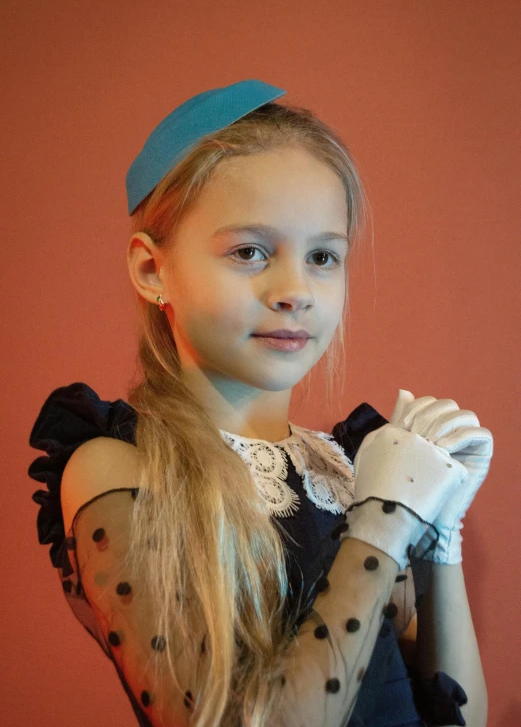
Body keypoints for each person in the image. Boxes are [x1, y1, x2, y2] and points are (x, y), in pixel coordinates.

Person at [28, 79, 493, 727]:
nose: (294, 289)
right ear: (151, 269)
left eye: (323, 255)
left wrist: (439, 535)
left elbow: (455, 718)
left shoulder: (350, 466)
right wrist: (383, 523)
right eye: (250, 251)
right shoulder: (116, 468)